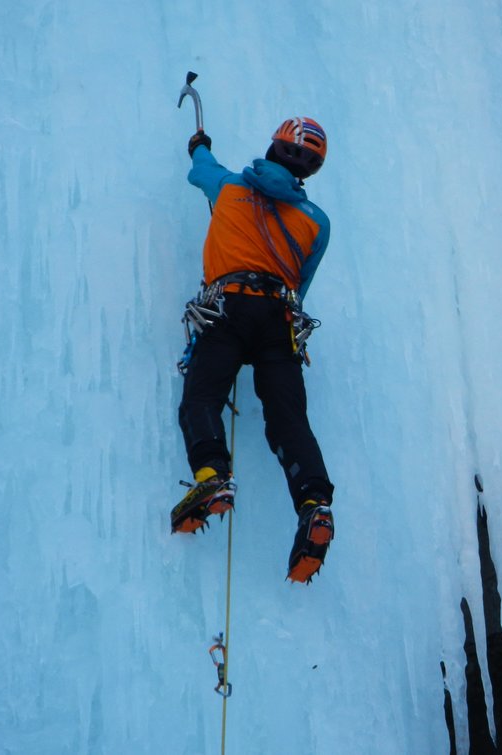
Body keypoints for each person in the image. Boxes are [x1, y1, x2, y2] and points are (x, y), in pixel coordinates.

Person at [170, 117, 335, 585]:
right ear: (310, 172)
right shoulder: (316, 222)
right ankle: (313, 506)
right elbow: (302, 281)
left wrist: (199, 145)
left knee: (202, 397)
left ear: (272, 147)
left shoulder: (226, 188)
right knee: (288, 420)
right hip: (278, 320)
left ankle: (211, 476)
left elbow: (200, 169)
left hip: (226, 309)